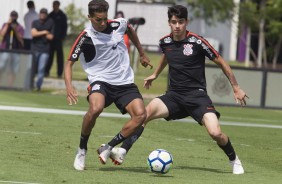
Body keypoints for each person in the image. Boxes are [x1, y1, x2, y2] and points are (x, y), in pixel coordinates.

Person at [109, 5, 249, 175]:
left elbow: (221, 61)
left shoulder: (197, 41)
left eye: (180, 22)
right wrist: (155, 74)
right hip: (174, 96)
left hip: (197, 97)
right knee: (143, 116)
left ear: (186, 22)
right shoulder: (165, 42)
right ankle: (123, 151)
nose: (177, 26)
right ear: (169, 23)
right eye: (174, 22)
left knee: (215, 133)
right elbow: (166, 56)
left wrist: (236, 87)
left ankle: (234, 160)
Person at [64, 0, 152, 171]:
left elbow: (130, 30)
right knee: (96, 108)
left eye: (105, 18)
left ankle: (109, 147)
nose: (103, 23)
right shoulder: (85, 37)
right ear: (89, 17)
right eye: (98, 20)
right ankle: (82, 149)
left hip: (125, 82)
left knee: (141, 116)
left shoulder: (119, 25)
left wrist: (141, 53)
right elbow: (69, 63)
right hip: (100, 81)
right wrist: (69, 87)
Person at [31, 8, 54, 91]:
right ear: (39, 14)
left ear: (46, 14)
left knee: (41, 69)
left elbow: (51, 37)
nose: (43, 14)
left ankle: (38, 86)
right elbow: (33, 33)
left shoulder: (50, 22)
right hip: (35, 48)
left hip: (45, 50)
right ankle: (31, 85)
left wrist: (39, 33)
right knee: (33, 68)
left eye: (44, 13)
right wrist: (44, 32)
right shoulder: (35, 22)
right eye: (41, 13)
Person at [0, 10, 24, 86]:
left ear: (17, 17)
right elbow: (2, 34)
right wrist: (8, 25)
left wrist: (15, 29)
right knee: (1, 66)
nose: (13, 17)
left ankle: (10, 85)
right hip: (5, 49)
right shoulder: (5, 24)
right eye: (12, 16)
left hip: (15, 50)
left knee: (13, 69)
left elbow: (20, 39)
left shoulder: (20, 27)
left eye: (14, 16)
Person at [45, 0, 68, 78]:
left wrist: (62, 37)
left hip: (58, 40)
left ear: (58, 5)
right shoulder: (50, 15)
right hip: (50, 40)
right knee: (49, 57)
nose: (55, 6)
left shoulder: (62, 15)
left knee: (59, 57)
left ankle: (59, 73)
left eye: (56, 5)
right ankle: (46, 71)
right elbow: (47, 26)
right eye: (53, 5)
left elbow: (65, 27)